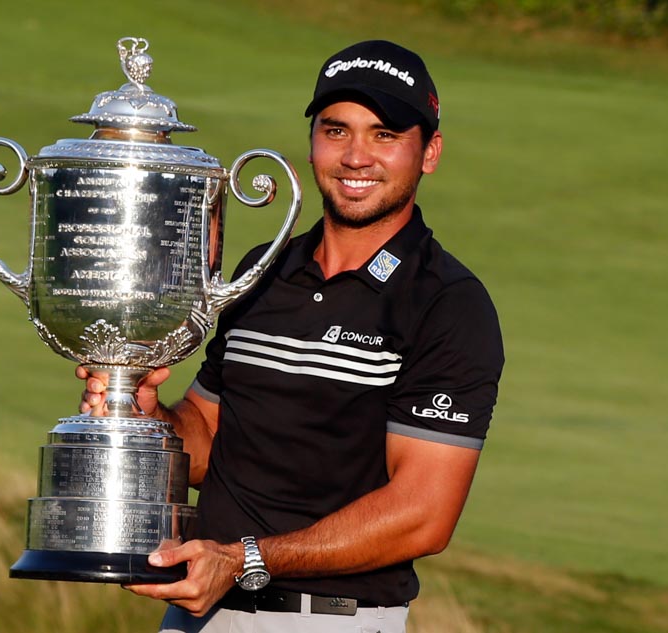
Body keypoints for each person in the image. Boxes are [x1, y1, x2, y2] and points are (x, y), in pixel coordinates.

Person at [77, 39, 504, 633]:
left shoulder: (447, 303)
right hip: (197, 613)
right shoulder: (265, 269)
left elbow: (423, 515)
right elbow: (207, 444)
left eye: (385, 135)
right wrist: (147, 414)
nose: (356, 156)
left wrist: (246, 561)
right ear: (312, 143)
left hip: (329, 620)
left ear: (428, 152)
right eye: (336, 131)